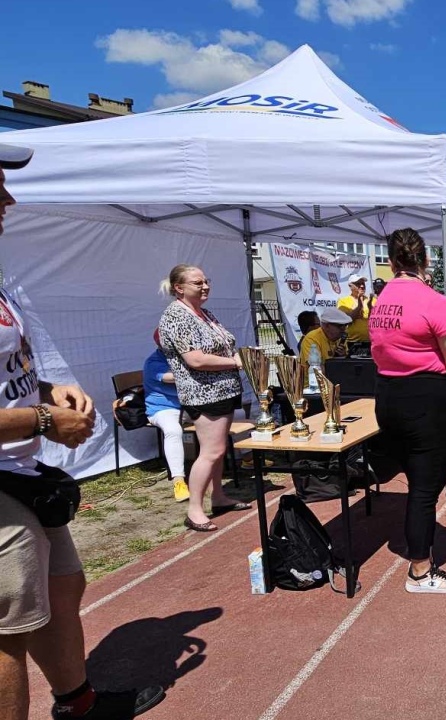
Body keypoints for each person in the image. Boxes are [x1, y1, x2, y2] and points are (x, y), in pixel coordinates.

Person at [0, 142, 165, 720]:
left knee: (62, 588)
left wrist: (48, 393)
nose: (8, 198)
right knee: (6, 630)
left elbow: (12, 371)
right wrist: (45, 420)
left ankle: (78, 702)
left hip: (22, 472)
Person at [369, 229, 446, 593]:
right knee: (425, 490)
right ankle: (420, 571)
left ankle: (418, 557)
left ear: (392, 261)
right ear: (425, 260)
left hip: (388, 397)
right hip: (425, 400)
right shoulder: (435, 302)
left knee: (416, 483)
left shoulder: (379, 302)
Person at [158, 264, 251, 532]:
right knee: (211, 451)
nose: (205, 286)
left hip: (224, 390)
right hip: (203, 393)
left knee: (219, 449)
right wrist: (234, 362)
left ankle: (218, 496)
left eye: (206, 281)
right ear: (179, 287)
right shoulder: (176, 316)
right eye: (198, 283)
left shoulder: (204, 313)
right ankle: (194, 509)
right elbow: (195, 359)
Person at [144, 329, 188, 502]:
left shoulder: (182, 357)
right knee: (173, 431)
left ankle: (244, 458)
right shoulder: (153, 362)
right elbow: (173, 378)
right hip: (162, 409)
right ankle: (179, 481)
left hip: (187, 406)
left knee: (234, 414)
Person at [336, 273, 370, 345]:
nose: (362, 286)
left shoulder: (371, 300)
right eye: (358, 284)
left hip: (370, 343)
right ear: (350, 286)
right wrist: (359, 306)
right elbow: (348, 319)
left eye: (363, 283)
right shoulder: (343, 302)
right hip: (351, 343)